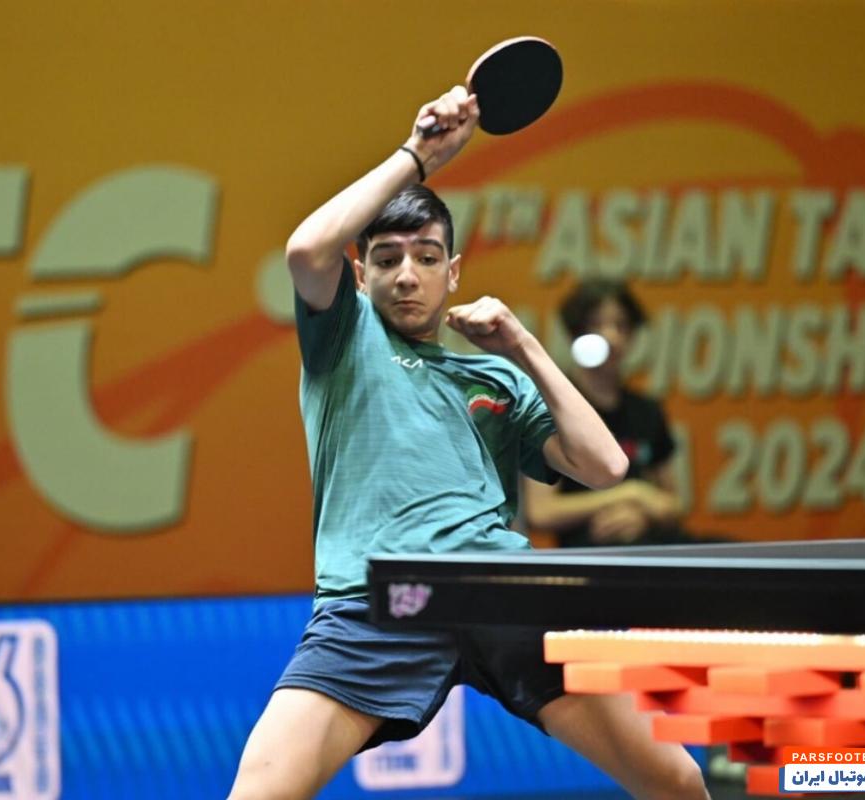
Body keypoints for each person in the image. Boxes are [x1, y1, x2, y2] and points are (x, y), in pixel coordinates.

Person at [227, 86, 708, 800]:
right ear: (361, 274)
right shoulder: (343, 335)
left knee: (677, 780)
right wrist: (418, 155)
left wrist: (522, 346)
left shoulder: (496, 378)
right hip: (376, 600)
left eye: (426, 257)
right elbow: (305, 248)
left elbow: (606, 465)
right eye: (387, 259)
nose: (407, 274)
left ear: (453, 272)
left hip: (499, 589)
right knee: (259, 792)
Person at [523, 279, 687, 548]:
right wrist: (629, 494)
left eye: (621, 326)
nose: (611, 337)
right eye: (596, 325)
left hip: (650, 547)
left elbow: (673, 503)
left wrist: (644, 516)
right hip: (588, 552)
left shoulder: (647, 411)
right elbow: (541, 511)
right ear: (576, 334)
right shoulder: (551, 409)